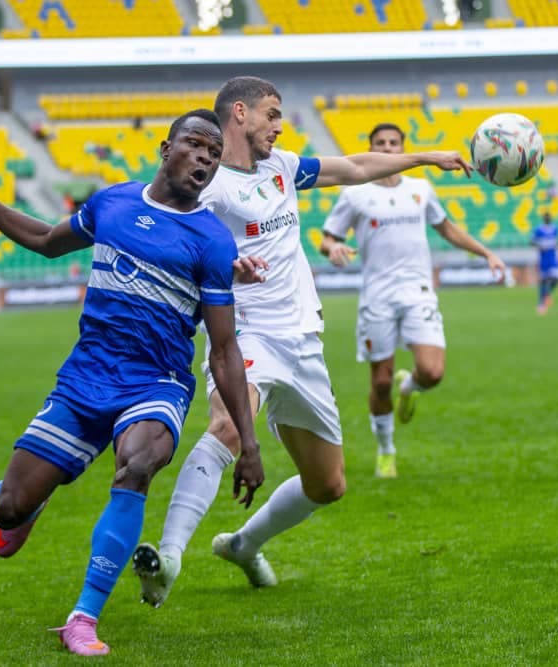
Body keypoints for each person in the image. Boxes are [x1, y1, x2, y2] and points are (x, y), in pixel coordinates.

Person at [0, 109, 265, 657]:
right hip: (86, 377)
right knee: (7, 507)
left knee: (137, 465)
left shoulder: (212, 241)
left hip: (157, 381)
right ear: (165, 148)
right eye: (195, 145)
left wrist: (247, 443)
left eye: (214, 154)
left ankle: (83, 617)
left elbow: (223, 348)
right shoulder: (114, 203)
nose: (203, 158)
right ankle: (25, 510)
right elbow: (42, 238)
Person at [133, 76, 476, 607]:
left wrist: (426, 157)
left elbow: (356, 168)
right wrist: (225, 264)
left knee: (328, 485)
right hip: (244, 333)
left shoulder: (283, 167)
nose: (280, 124)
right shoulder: (206, 183)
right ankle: (170, 559)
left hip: (303, 340)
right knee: (226, 428)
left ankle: (245, 546)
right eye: (272, 114)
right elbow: (170, 244)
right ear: (240, 114)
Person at [319, 122, 506, 479]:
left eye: (393, 143)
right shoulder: (355, 193)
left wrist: (487, 254)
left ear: (403, 147)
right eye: (380, 143)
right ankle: (386, 450)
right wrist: (334, 248)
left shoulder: (421, 189)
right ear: (370, 148)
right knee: (380, 383)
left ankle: (411, 387)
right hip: (377, 296)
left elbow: (447, 229)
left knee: (433, 372)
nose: (388, 148)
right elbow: (327, 239)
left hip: (418, 291)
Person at [531, 211, 558, 315]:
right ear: (544, 218)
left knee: (555, 280)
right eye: (546, 217)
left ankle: (547, 295)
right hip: (543, 260)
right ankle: (541, 304)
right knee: (543, 282)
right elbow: (532, 242)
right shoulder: (538, 230)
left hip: (553, 259)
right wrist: (539, 244)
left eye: (549, 216)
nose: (548, 218)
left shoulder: (555, 229)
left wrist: (556, 244)